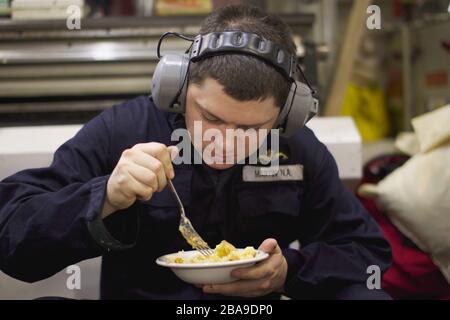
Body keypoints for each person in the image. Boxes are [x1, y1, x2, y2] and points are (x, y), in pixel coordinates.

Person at [0, 5, 391, 300]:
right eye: (210, 117)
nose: (225, 142)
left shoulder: (297, 149)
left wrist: (288, 270)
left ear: (285, 117)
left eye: (251, 129)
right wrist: (102, 198)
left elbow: (367, 253)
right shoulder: (124, 130)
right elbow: (12, 238)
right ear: (179, 89)